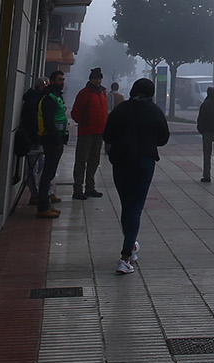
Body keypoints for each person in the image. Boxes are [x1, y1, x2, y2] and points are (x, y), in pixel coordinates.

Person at [103, 77, 169, 275]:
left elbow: (107, 135)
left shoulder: (121, 110)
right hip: (144, 162)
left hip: (121, 161)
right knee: (135, 207)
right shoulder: (155, 111)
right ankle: (125, 257)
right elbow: (163, 139)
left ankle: (131, 246)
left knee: (127, 205)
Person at [34, 69, 69, 218]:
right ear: (52, 81)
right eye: (59, 80)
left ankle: (46, 203)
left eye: (63, 80)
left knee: (50, 173)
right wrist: (56, 140)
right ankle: (42, 206)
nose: (62, 82)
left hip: (57, 139)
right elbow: (49, 122)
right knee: (47, 173)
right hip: (51, 140)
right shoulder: (49, 98)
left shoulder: (56, 96)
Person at [68, 67, 107, 200]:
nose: (98, 81)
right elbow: (75, 112)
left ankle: (90, 187)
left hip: (99, 132)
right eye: (95, 78)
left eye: (99, 78)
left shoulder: (102, 93)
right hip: (86, 133)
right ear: (90, 79)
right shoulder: (84, 93)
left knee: (94, 161)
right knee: (81, 161)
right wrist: (85, 122)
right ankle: (78, 188)